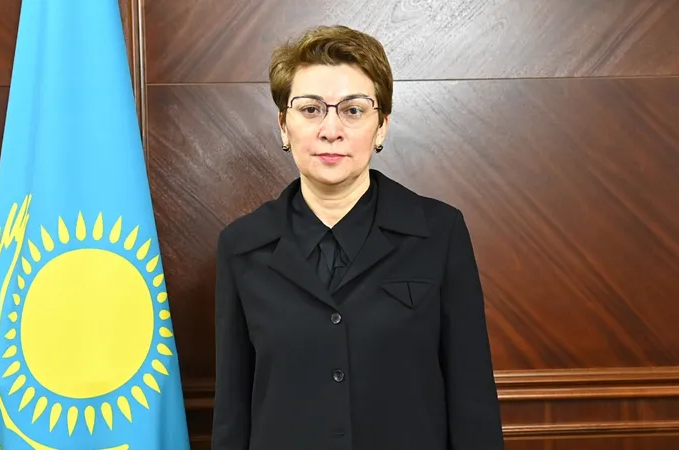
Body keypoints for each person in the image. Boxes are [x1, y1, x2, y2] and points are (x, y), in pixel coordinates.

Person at [211, 24, 504, 450]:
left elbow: (471, 397)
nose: (331, 129)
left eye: (352, 110)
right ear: (283, 126)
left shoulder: (440, 232)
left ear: (381, 126)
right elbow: (232, 412)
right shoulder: (242, 246)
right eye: (310, 109)